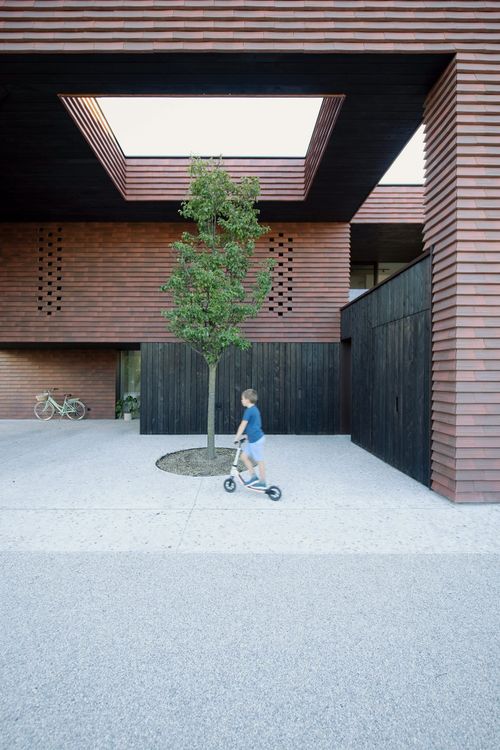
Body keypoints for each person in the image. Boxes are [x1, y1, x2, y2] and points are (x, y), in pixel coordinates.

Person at [234, 388, 266, 489]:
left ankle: (262, 482)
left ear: (247, 400)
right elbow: (256, 424)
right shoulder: (254, 410)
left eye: (242, 399)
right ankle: (253, 476)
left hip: (256, 441)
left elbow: (242, 425)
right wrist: (248, 435)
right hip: (253, 439)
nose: (241, 401)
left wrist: (237, 437)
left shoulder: (249, 411)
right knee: (243, 457)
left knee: (259, 460)